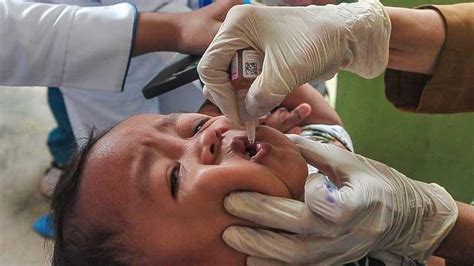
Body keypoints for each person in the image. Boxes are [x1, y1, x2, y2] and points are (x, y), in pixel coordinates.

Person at [197, 0, 474, 264]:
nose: (215, 130)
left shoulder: (327, 168)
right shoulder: (336, 180)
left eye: (197, 126)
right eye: (173, 177)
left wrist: (430, 225)